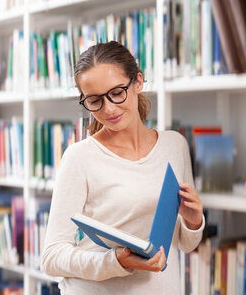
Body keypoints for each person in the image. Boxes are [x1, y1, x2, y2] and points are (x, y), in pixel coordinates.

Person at [41, 41, 204, 294]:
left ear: (138, 82)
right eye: (95, 101)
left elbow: (184, 244)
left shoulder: (175, 146)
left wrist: (194, 222)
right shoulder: (79, 157)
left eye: (117, 93)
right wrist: (115, 261)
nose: (109, 109)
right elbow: (51, 257)